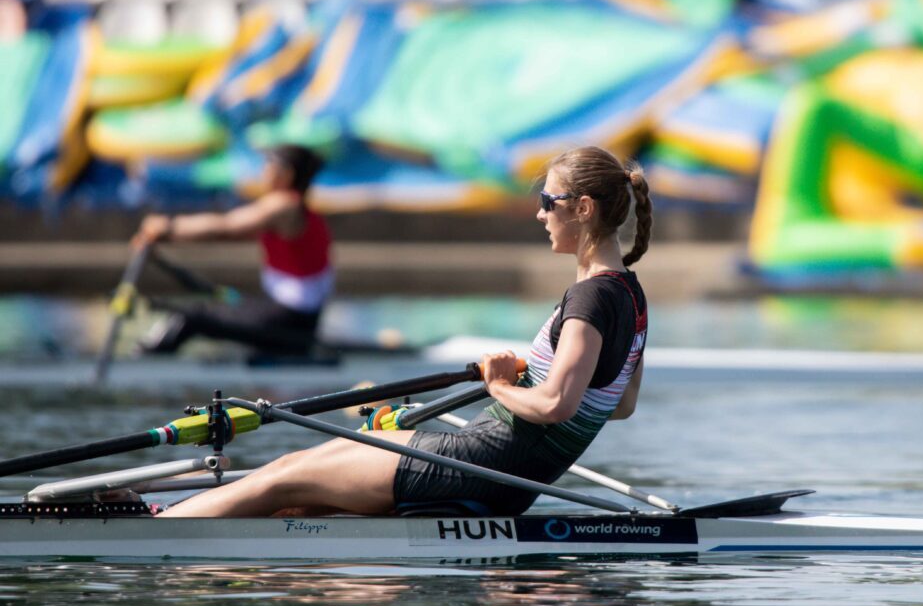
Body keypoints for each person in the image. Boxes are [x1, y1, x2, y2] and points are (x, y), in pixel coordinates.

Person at [158, 145, 651, 518]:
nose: (541, 213)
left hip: (481, 465)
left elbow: (556, 404)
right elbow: (620, 404)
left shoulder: (589, 298)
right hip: (503, 475)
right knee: (307, 488)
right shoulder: (631, 296)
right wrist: (533, 381)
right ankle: (185, 521)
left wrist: (501, 385)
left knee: (286, 474)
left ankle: (159, 525)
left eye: (548, 200)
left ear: (583, 209)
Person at [133, 144, 331, 356]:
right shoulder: (296, 209)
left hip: (288, 318)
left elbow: (225, 226)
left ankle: (142, 362)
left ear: (287, 174)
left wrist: (168, 227)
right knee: (213, 306)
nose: (263, 170)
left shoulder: (283, 205)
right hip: (291, 314)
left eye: (269, 164)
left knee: (192, 316)